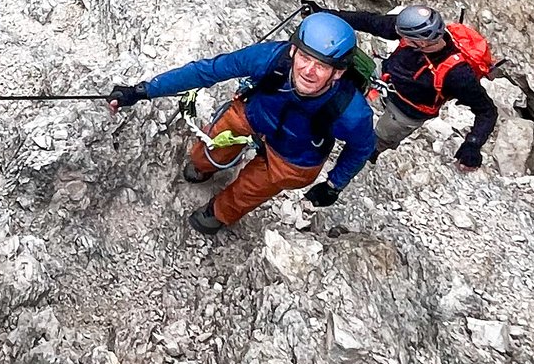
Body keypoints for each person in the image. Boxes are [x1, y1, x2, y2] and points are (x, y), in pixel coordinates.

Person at [108, 12, 379, 235]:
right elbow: (207, 71)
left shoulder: (351, 113)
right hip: (254, 116)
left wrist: (334, 184)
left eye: (321, 65)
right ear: (294, 50)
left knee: (250, 190)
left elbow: (361, 148)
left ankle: (218, 213)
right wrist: (143, 90)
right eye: (305, 58)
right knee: (210, 150)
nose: (308, 70)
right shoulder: (270, 58)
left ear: (338, 72)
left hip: (295, 157)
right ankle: (204, 166)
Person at [330, 3, 497, 169]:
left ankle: (364, 163)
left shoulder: (458, 75)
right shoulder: (413, 32)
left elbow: (487, 111)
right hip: (387, 79)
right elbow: (370, 21)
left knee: (375, 141)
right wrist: (330, 15)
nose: (401, 38)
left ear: (422, 43)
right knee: (341, 63)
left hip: (405, 112)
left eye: (406, 39)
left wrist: (473, 144)